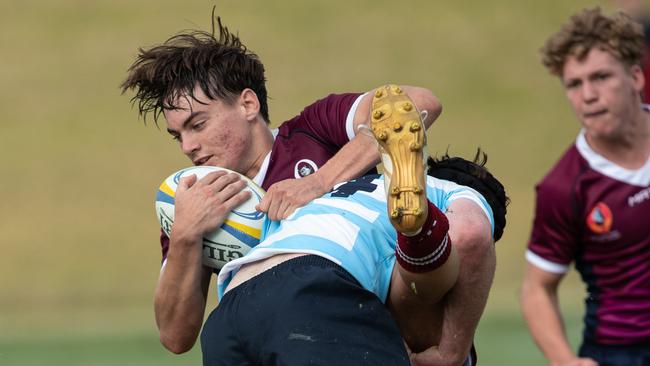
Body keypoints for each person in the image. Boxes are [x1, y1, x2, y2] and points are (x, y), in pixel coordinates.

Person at [122, 15, 496, 364]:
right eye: (178, 136)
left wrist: (318, 182)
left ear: (248, 104)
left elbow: (416, 104)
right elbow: (175, 337)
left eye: (198, 124)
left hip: (367, 320)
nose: (188, 146)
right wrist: (187, 236)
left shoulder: (312, 130)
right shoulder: (194, 199)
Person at [520, 7, 650, 366]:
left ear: (636, 77)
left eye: (601, 77)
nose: (588, 95)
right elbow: (536, 288)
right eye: (574, 84)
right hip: (622, 352)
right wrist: (565, 361)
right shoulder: (565, 187)